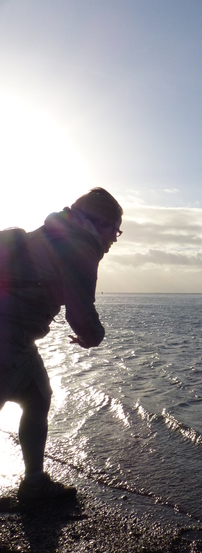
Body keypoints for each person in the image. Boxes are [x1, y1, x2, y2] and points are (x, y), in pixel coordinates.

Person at [0, 188, 123, 501]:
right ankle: (34, 484)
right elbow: (80, 311)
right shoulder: (80, 246)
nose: (115, 239)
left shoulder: (50, 233)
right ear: (102, 224)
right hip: (8, 338)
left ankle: (35, 483)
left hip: (20, 340)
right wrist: (93, 336)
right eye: (116, 230)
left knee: (39, 397)